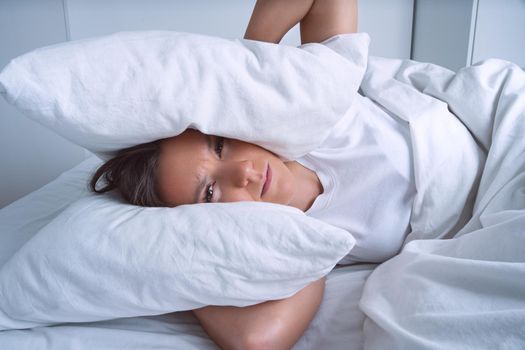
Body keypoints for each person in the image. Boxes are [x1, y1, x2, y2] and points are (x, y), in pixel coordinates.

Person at [90, 1, 410, 349]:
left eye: (219, 146)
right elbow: (254, 341)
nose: (242, 172)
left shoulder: (310, 109)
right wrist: (182, 264)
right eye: (210, 193)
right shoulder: (306, 242)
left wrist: (250, 64)